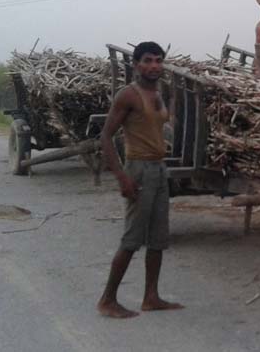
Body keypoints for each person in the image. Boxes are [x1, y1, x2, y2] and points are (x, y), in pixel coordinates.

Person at [97, 42, 183, 318]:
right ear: (136, 64)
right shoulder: (128, 95)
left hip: (158, 169)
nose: (154, 66)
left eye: (158, 60)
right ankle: (108, 300)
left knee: (158, 238)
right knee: (132, 238)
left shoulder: (156, 94)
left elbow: (164, 126)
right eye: (148, 60)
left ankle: (151, 297)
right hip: (139, 169)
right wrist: (122, 176)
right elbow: (106, 137)